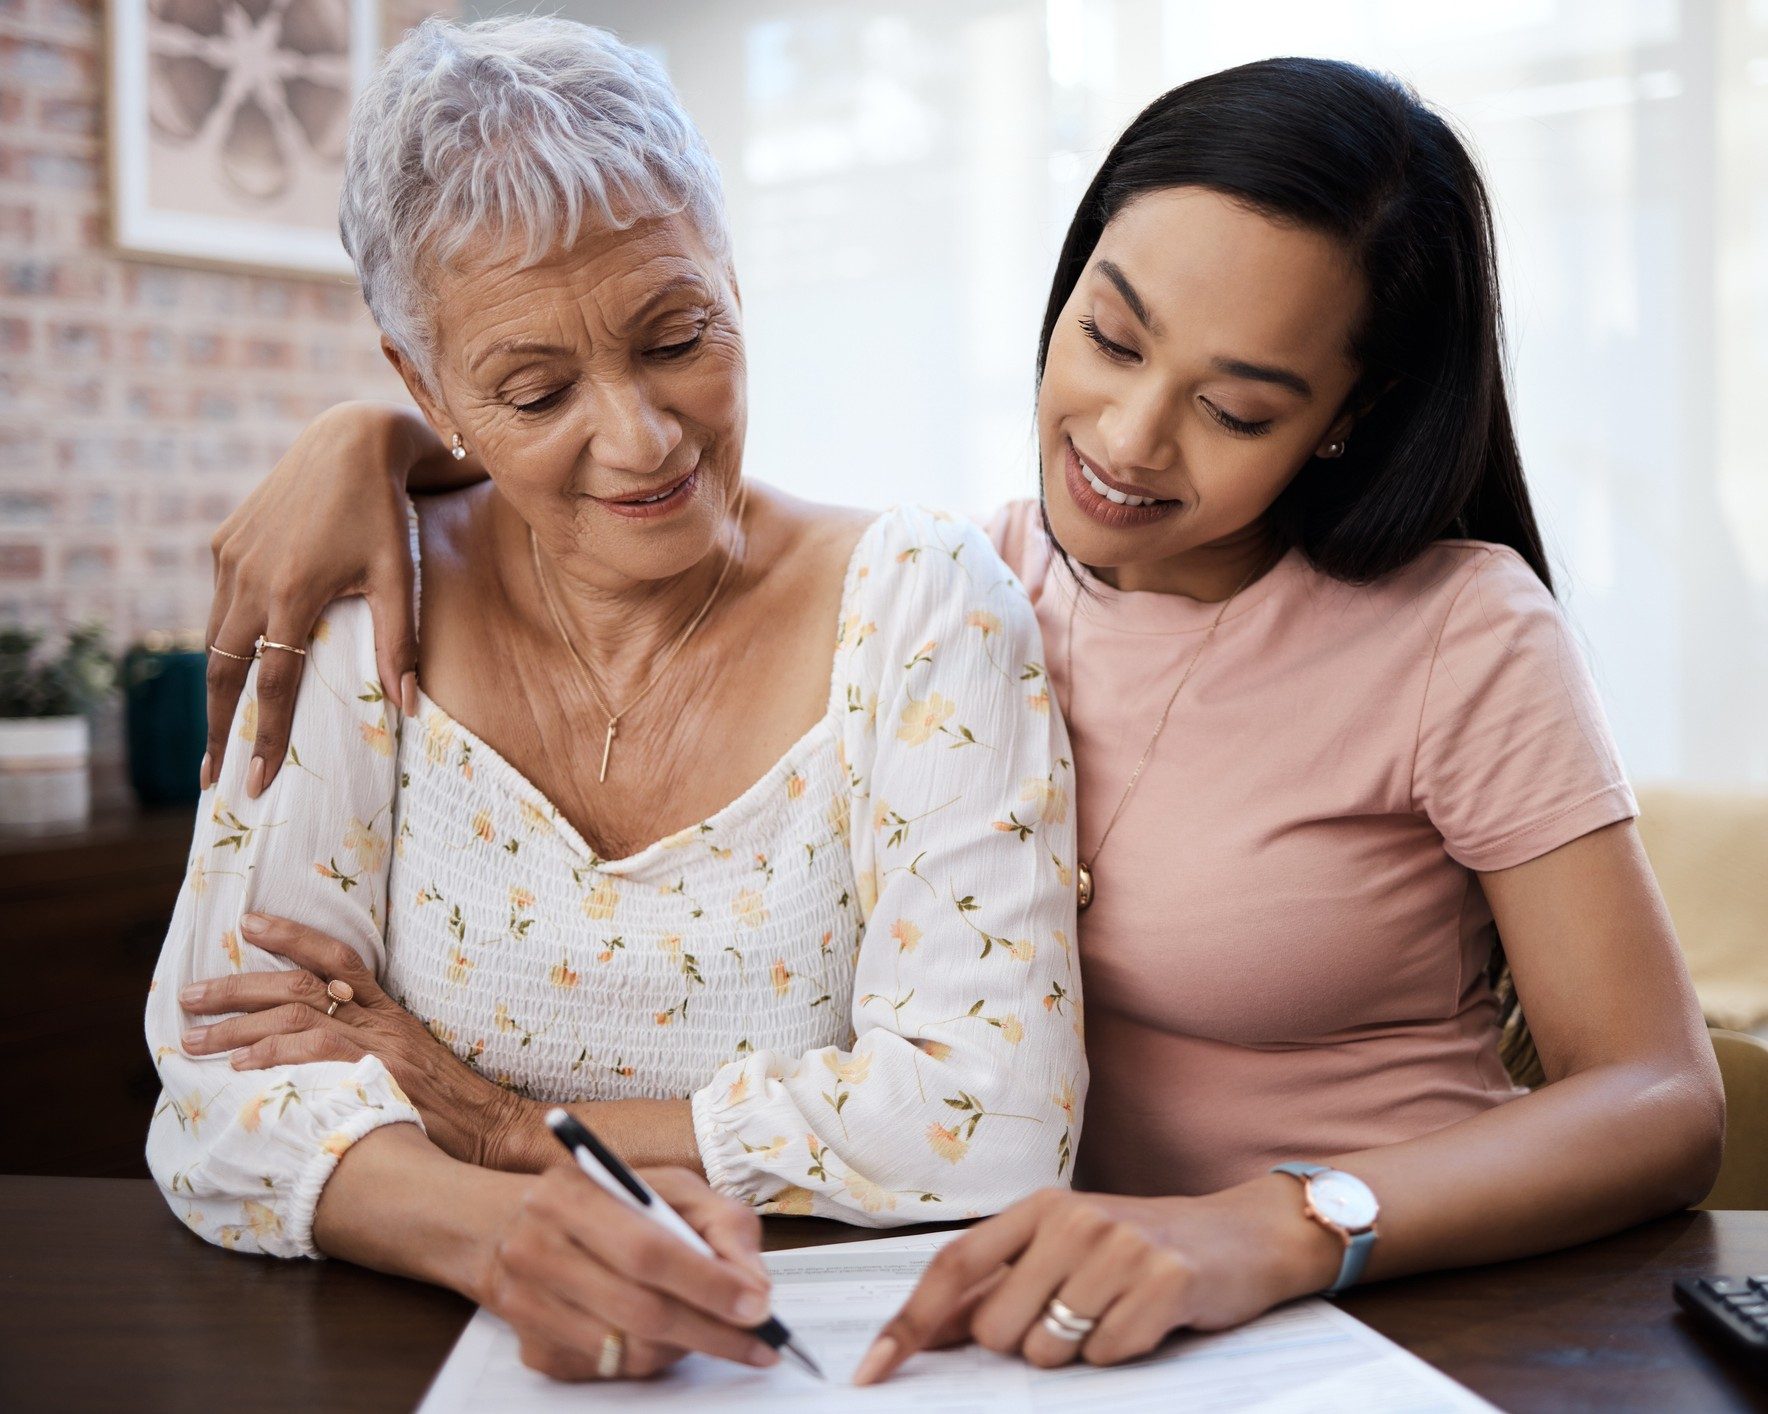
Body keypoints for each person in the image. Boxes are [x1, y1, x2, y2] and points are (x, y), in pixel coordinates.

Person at [202, 49, 1723, 1384]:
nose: (1127, 442)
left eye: (1239, 406)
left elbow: (1660, 1099)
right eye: (1112, 339)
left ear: (1350, 414)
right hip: (1056, 1312)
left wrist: (1279, 1226)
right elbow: (650, 462)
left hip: (1393, 1304)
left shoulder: (1460, 632)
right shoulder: (975, 587)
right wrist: (379, 443)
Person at [146, 15, 1081, 1385]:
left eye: (676, 335)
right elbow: (219, 1080)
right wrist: (493, 1229)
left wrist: (494, 1119)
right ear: (424, 387)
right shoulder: (358, 599)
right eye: (535, 390)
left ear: (735, 280)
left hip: (836, 1362)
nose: (643, 439)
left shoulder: (923, 602)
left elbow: (987, 1114)